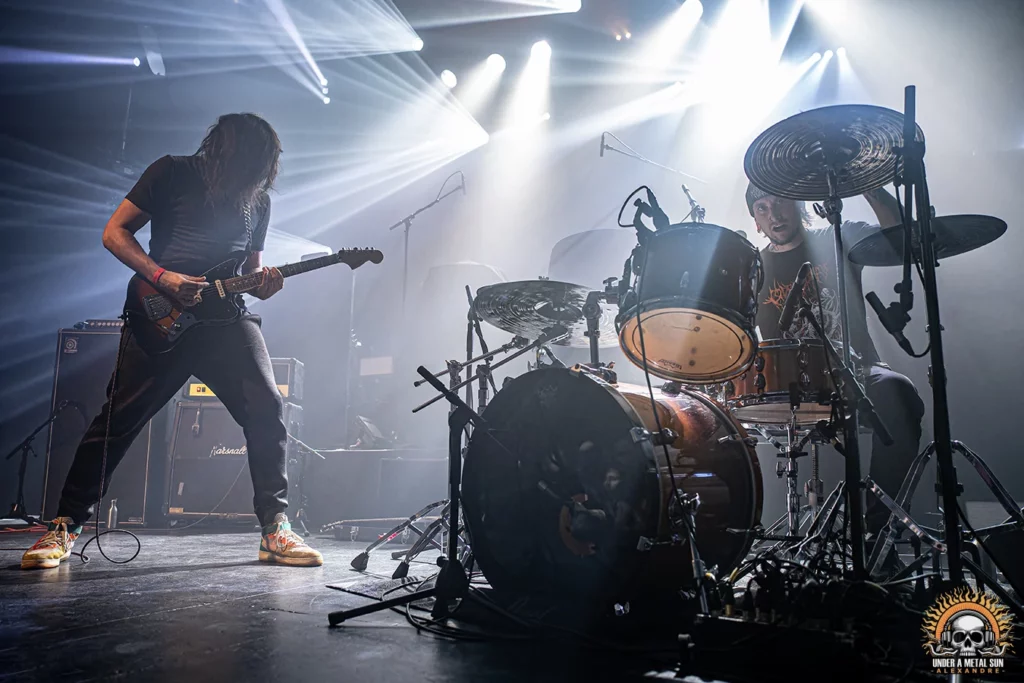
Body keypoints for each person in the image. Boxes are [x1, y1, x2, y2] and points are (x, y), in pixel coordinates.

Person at [22, 113, 322, 569]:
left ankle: (274, 528)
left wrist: (263, 283)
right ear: (233, 151)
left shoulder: (257, 201)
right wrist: (161, 276)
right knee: (118, 421)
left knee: (267, 406)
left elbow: (248, 271)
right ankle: (63, 525)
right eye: (257, 161)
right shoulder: (171, 172)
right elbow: (114, 232)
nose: (263, 174)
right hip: (160, 315)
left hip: (225, 322)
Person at [745, 183, 926, 536]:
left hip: (854, 370)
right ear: (755, 221)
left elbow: (899, 238)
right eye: (762, 208)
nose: (774, 215)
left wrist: (867, 183)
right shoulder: (753, 269)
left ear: (798, 204)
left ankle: (877, 531)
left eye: (780, 201)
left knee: (901, 395)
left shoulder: (838, 236)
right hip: (788, 384)